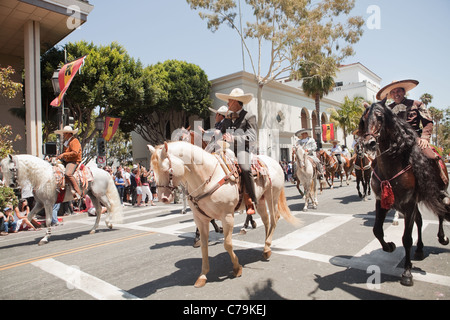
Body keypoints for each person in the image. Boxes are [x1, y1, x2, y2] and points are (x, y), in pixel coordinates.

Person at [376, 79, 448, 185]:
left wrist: (425, 138)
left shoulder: (417, 104)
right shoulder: (387, 110)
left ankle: (441, 187)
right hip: (394, 143)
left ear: (404, 92)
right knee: (376, 163)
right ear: (390, 95)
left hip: (415, 140)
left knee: (430, 157)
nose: (396, 94)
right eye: (393, 92)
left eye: (398, 91)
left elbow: (428, 122)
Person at [216, 88, 257, 215]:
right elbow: (221, 133)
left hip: (241, 149)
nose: (227, 103)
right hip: (226, 149)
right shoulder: (227, 119)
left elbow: (252, 137)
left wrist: (234, 138)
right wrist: (217, 135)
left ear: (236, 102)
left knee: (245, 168)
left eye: (229, 101)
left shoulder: (249, 116)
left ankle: (251, 200)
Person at [55, 125, 83, 199]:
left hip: (74, 161)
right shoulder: (67, 142)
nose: (63, 135)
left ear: (68, 133)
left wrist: (64, 154)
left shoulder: (74, 141)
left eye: (64, 133)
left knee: (68, 173)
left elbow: (75, 152)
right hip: (67, 161)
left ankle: (78, 192)